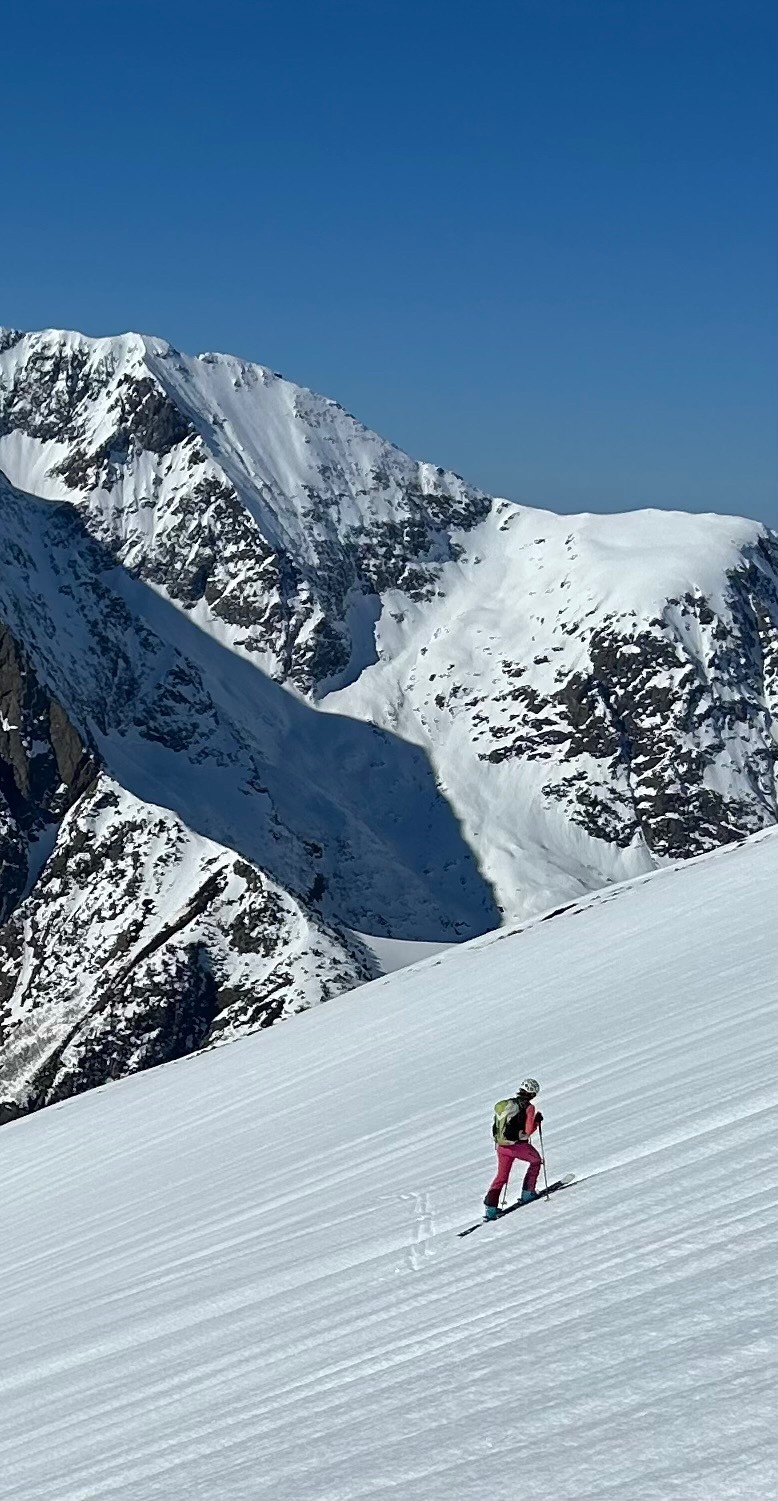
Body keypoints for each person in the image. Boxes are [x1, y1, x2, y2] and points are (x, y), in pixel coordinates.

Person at [483, 1077, 544, 1219]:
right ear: (533, 1093)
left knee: (501, 1176)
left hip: (501, 1146)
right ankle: (528, 1193)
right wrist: (536, 1122)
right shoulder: (529, 1108)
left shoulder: (510, 1104)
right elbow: (528, 1131)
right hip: (517, 1146)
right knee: (535, 1161)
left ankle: (490, 1209)